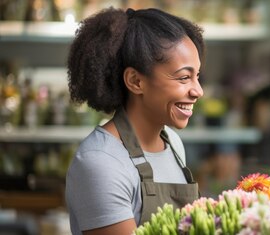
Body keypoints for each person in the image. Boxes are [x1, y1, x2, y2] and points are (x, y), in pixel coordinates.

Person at [65, 7, 204, 234]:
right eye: (184, 77)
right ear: (136, 81)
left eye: (197, 76)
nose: (198, 91)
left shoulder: (173, 145)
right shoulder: (101, 162)